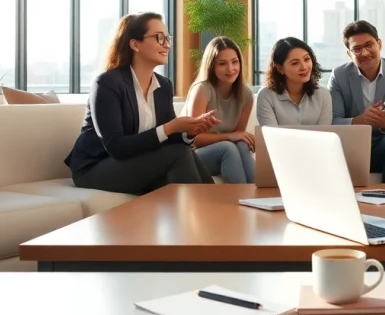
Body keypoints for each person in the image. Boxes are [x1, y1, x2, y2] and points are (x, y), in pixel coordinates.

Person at [65, 12, 217, 194]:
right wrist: (170, 127)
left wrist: (189, 132)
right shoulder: (107, 84)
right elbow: (116, 147)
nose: (167, 45)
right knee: (179, 155)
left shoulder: (164, 85)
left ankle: (213, 214)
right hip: (96, 167)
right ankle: (205, 217)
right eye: (159, 38)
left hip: (137, 163)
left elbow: (170, 139)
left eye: (167, 38)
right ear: (134, 44)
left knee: (185, 153)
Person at [328, 20, 385, 183]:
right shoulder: (339, 75)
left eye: (369, 45)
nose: (365, 53)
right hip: (351, 149)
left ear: (379, 44)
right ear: (349, 53)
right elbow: (333, 120)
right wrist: (360, 121)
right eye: (357, 49)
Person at [182, 36, 256, 184]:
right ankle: (241, 201)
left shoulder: (246, 95)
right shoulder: (202, 90)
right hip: (191, 157)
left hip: (226, 154)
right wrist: (229, 137)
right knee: (227, 147)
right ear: (212, 66)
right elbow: (194, 140)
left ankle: (261, 199)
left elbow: (238, 136)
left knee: (240, 144)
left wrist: (235, 137)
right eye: (222, 64)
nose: (230, 69)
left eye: (235, 62)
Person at [256, 37, 333, 127]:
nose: (304, 67)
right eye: (295, 63)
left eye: (306, 59)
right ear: (280, 68)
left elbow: (324, 134)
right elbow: (271, 135)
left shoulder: (323, 94)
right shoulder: (266, 95)